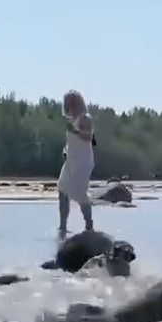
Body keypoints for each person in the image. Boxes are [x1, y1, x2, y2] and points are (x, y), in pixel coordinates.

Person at [57, 90, 95, 235]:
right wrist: (65, 150)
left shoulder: (85, 118)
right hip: (72, 160)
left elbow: (88, 137)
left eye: (71, 104)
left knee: (80, 192)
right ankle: (63, 225)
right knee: (62, 189)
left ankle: (89, 224)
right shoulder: (72, 121)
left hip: (82, 161)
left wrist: (74, 131)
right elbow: (73, 141)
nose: (69, 107)